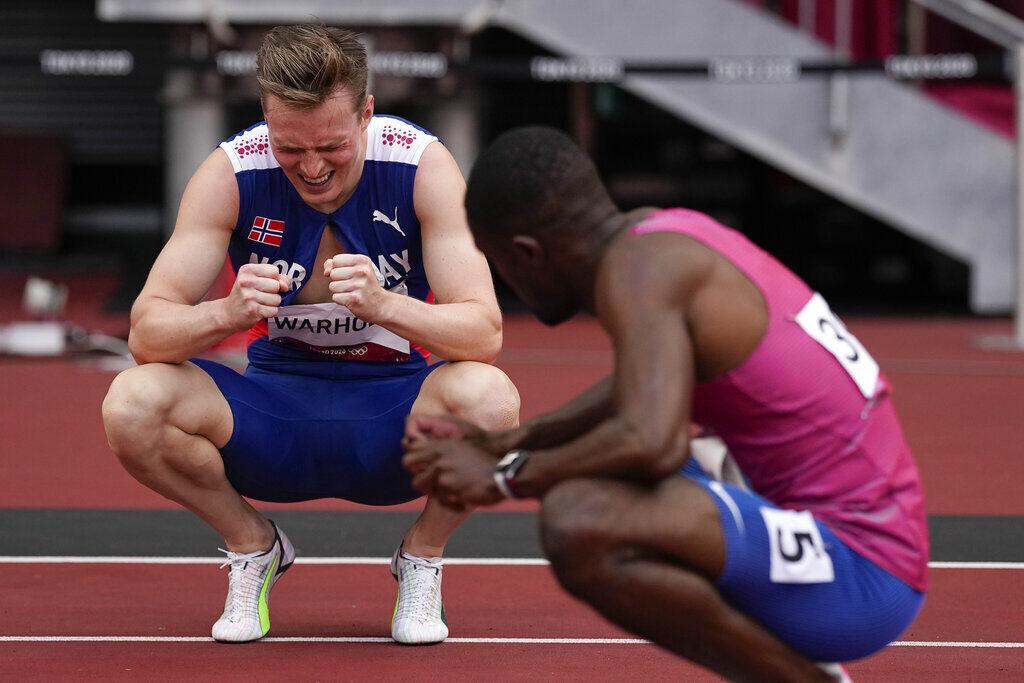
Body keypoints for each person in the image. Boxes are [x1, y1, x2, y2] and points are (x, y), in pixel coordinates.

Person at [402, 126, 928, 681]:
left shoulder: (639, 273)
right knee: (625, 465)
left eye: (500, 266)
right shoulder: (664, 235)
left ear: (527, 253)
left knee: (581, 519)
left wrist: (504, 476)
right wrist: (509, 440)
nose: (506, 285)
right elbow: (642, 391)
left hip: (864, 573)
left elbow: (650, 441)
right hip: (862, 543)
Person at [101, 24, 519, 645]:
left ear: (367, 114)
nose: (313, 167)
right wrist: (226, 312)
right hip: (273, 416)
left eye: (332, 145)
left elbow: (484, 332)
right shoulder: (229, 173)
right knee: (131, 403)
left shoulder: (422, 166)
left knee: (493, 399)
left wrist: (385, 305)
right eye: (290, 148)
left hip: (395, 424)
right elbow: (147, 334)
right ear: (266, 119)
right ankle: (253, 545)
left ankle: (422, 557)